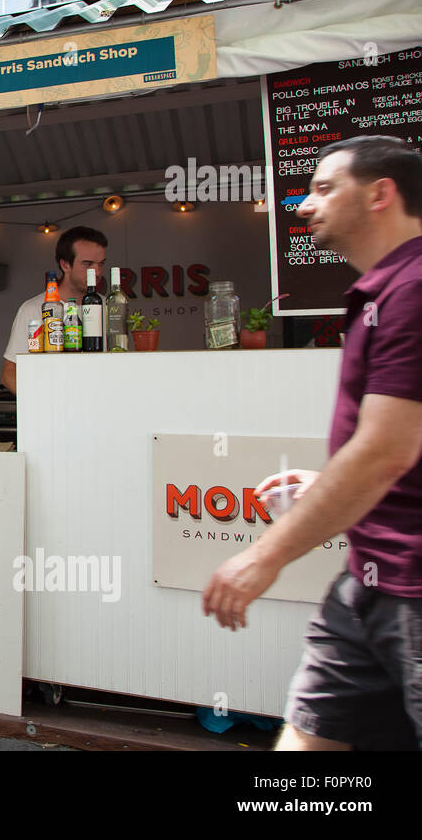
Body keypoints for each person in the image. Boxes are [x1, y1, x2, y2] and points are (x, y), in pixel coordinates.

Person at [202, 135, 422, 751]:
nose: (303, 205)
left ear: (381, 194)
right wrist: (324, 487)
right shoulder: (381, 291)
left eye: (325, 188)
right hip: (366, 584)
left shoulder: (414, 289)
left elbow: (386, 451)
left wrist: (263, 556)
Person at [0, 226, 107, 395]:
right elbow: (10, 373)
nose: (97, 272)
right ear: (65, 264)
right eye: (87, 264)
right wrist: (40, 404)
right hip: (54, 411)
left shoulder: (107, 306)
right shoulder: (34, 308)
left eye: (101, 264)